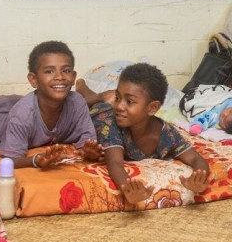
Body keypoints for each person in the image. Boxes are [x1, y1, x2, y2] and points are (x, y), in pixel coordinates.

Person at [0, 41, 101, 169]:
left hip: (7, 105)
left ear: (73, 77)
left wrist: (89, 152)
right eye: (49, 71)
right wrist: (36, 160)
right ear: (33, 80)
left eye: (66, 70)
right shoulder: (23, 114)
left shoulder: (77, 103)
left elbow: (87, 144)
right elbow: (9, 160)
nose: (59, 77)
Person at [76, 63, 210, 204]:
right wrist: (126, 188)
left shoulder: (167, 134)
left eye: (129, 101)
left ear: (152, 108)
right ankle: (81, 85)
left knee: (108, 99)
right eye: (119, 98)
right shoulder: (111, 124)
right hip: (100, 112)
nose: (120, 106)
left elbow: (196, 159)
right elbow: (114, 163)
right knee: (88, 100)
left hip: (110, 107)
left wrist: (200, 178)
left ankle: (100, 92)